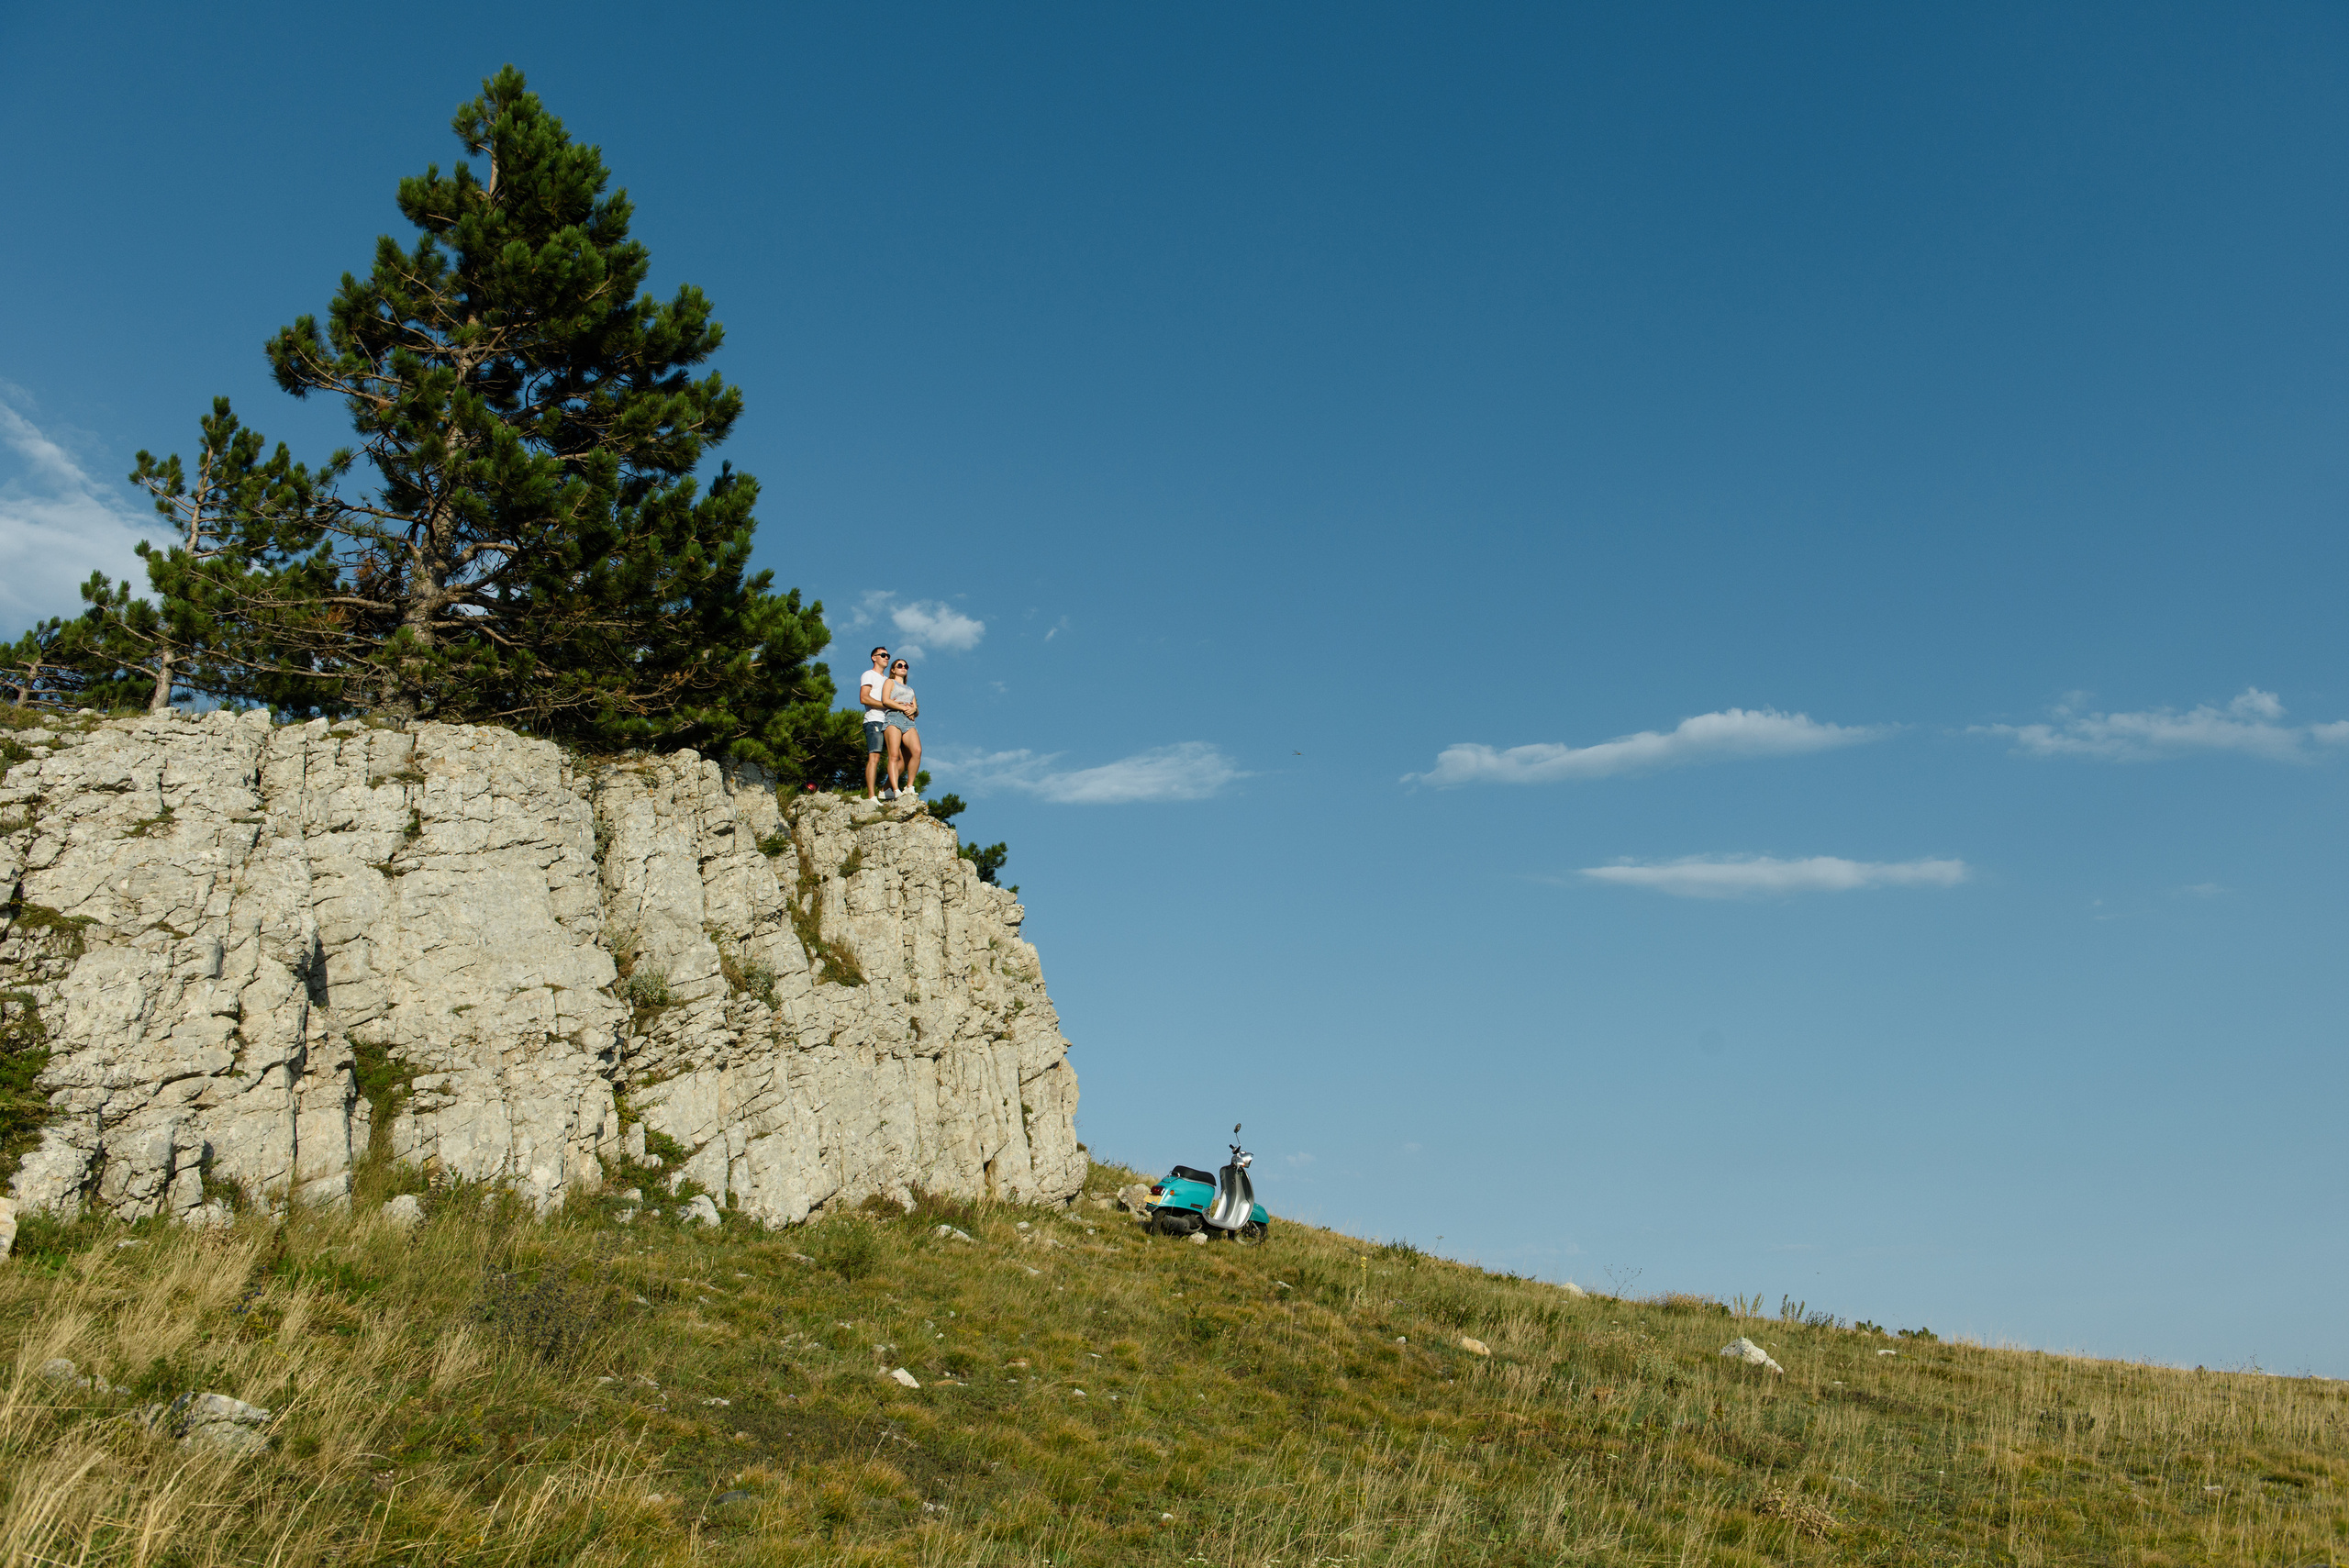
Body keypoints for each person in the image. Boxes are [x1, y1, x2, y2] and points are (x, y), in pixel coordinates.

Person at [883, 657, 921, 797]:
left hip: (908, 721)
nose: (903, 667)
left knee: (916, 751)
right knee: (893, 755)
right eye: (900, 665)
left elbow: (915, 709)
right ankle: (894, 789)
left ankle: (909, 786)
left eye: (906, 666)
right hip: (893, 717)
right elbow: (885, 700)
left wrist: (914, 711)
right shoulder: (889, 682)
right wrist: (903, 707)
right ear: (893, 669)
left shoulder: (910, 689)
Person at [859, 646, 893, 799]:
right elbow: (864, 698)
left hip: (890, 723)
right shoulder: (869, 674)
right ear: (874, 658)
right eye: (883, 655)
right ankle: (872, 797)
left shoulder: (889, 681)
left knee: (899, 757)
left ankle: (884, 791)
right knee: (875, 757)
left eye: (888, 655)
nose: (886, 658)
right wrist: (886, 704)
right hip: (874, 719)